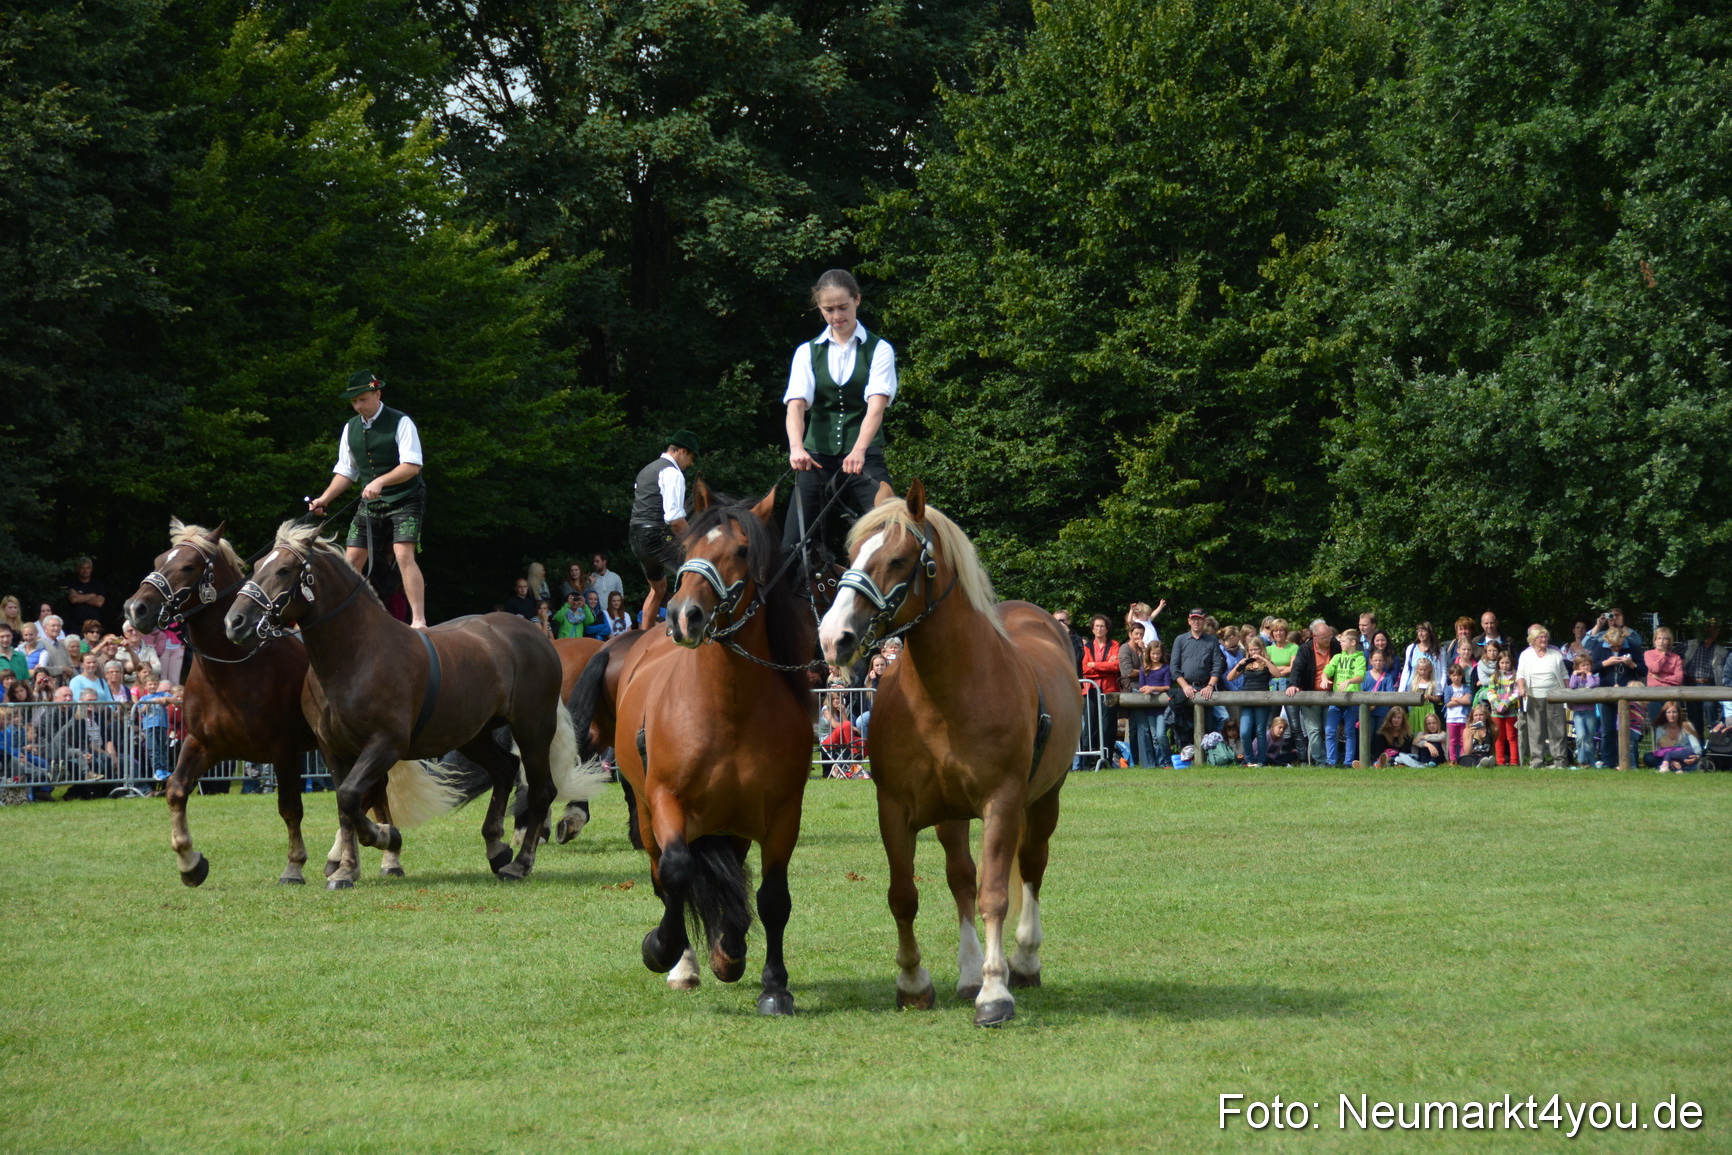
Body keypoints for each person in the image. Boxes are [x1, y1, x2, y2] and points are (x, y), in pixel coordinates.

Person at [781, 268, 897, 560]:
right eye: (828, 309)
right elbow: (795, 405)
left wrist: (858, 450)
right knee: (791, 547)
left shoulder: (879, 349)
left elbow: (877, 405)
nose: (836, 315)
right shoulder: (806, 352)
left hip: (864, 454)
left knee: (893, 530)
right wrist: (796, 448)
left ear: (857, 300)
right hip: (816, 457)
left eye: (843, 307)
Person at [307, 371, 429, 628]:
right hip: (371, 503)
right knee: (351, 559)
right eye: (354, 402)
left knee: (402, 553)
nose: (359, 406)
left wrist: (381, 481)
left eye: (363, 399)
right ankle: (344, 617)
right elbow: (346, 471)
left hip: (406, 498)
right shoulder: (350, 427)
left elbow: (412, 465)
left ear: (378, 394)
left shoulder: (401, 421)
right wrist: (324, 499)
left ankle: (419, 620)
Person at [630, 432, 699, 633]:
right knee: (695, 572)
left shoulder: (646, 470)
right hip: (656, 536)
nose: (690, 463)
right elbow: (675, 520)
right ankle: (683, 631)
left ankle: (643, 638)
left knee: (658, 588)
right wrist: (695, 542)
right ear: (682, 451)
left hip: (635, 537)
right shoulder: (673, 473)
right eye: (691, 458)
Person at [1285, 619, 1340, 765]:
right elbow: (1297, 667)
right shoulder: (1305, 649)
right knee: (1314, 731)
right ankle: (1321, 762)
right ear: (1315, 637)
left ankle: (1332, 761)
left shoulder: (1336, 645)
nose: (1328, 640)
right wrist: (1293, 685)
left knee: (1330, 730)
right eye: (1324, 637)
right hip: (1310, 695)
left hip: (1331, 695)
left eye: (1329, 636)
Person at [1515, 624, 1570, 767]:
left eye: (1545, 636)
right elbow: (1520, 674)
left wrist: (1567, 691)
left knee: (1557, 730)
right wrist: (1521, 688)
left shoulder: (1555, 654)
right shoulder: (1526, 655)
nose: (1544, 639)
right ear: (1533, 640)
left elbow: (1564, 674)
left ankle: (1559, 761)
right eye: (1540, 637)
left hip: (1555, 695)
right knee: (1536, 731)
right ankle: (1537, 761)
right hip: (1534, 696)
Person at [1588, 625, 1644, 766]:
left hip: (1626, 696)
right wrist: (1606, 663)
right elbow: (1591, 668)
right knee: (1607, 731)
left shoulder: (1631, 647)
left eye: (1618, 646)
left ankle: (1629, 762)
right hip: (1606, 694)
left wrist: (1632, 664)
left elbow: (1644, 670)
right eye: (1612, 647)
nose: (1615, 649)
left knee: (1626, 730)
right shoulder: (1600, 648)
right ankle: (1609, 762)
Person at [1170, 609, 1226, 749]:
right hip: (1186, 688)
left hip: (1205, 688)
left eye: (1199, 619)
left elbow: (1217, 666)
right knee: (1184, 727)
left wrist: (1210, 686)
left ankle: (1208, 758)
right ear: (1189, 621)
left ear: (1203, 621)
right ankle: (1187, 758)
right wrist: (1185, 686)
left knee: (1208, 726)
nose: (1196, 622)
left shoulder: (1212, 641)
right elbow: (1174, 667)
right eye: (1193, 619)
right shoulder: (1180, 640)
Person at [1321, 628, 1367, 766]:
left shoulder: (1360, 658)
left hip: (1351, 700)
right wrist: (1324, 678)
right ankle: (1331, 761)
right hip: (1336, 699)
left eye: (1343, 641)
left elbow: (1361, 676)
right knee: (1329, 730)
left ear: (1353, 642)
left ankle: (1348, 762)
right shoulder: (1337, 657)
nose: (1340, 644)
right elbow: (1327, 670)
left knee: (1349, 732)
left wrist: (1349, 681)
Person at [1130, 639, 1172, 767]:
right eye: (1153, 653)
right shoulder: (1144, 669)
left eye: (1158, 654)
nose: (1155, 656)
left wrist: (1153, 688)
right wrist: (1145, 689)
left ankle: (1167, 760)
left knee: (1160, 735)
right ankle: (1159, 762)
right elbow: (1142, 686)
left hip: (1162, 707)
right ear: (1148, 654)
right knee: (1154, 737)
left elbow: (1167, 687)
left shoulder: (1165, 668)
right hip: (1149, 707)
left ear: (1162, 654)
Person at [1680, 619, 1723, 737]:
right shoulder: (1689, 645)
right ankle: (1698, 749)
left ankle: (1715, 740)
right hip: (1692, 684)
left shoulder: (1721, 651)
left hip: (1710, 686)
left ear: (1717, 633)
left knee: (1710, 707)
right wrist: (1680, 666)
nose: (1710, 632)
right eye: (1708, 629)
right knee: (1694, 720)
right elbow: (1671, 657)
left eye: (1714, 630)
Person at [1236, 638, 1275, 765]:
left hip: (1262, 701)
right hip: (1247, 700)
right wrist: (1239, 664)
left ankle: (1261, 761)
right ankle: (1249, 760)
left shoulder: (1266, 663)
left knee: (1260, 731)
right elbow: (1230, 677)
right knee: (1244, 732)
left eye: (1255, 649)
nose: (1253, 652)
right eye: (1250, 650)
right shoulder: (1246, 664)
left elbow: (1277, 674)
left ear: (1261, 649)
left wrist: (1263, 660)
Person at [1641, 627, 1684, 729]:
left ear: (1669, 641)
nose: (1661, 641)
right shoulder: (1648, 654)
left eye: (1665, 639)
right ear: (1655, 640)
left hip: (1671, 696)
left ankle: (1673, 745)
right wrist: (1663, 655)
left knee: (1672, 727)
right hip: (1654, 695)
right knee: (1657, 727)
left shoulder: (1676, 658)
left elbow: (1678, 679)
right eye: (1659, 638)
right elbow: (1654, 669)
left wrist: (1661, 679)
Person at [1643, 701, 1701, 772]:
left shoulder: (1687, 726)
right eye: (1669, 712)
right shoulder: (1660, 728)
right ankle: (1678, 768)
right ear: (1664, 714)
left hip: (1685, 756)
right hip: (1667, 757)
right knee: (1648, 757)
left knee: (1696, 762)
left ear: (1679, 713)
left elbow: (1696, 747)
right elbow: (1659, 750)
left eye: (1674, 712)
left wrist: (1696, 757)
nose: (1671, 715)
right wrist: (1671, 761)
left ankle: (1671, 768)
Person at [1566, 654, 1600, 766]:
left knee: (1589, 739)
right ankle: (1582, 761)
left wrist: (1589, 675)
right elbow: (1572, 685)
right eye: (1582, 665)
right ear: (1577, 667)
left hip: (1590, 712)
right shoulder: (1576, 678)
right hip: (1578, 712)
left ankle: (1591, 762)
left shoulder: (1595, 677)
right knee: (1580, 736)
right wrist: (1574, 675)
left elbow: (1592, 685)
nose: (1585, 667)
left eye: (1587, 665)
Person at [63, 556, 108, 634]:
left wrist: (80, 596)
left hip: (93, 626)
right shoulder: (72, 584)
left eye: (88, 568)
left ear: (91, 569)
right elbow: (74, 599)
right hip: (74, 626)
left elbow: (99, 603)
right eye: (82, 568)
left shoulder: (97, 584)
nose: (85, 570)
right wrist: (92, 595)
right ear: (78, 569)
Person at [1442, 662, 1474, 763]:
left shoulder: (1466, 688)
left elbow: (1469, 701)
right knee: (1452, 740)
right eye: (1453, 675)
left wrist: (1455, 699)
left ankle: (1461, 758)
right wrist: (1461, 700)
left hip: (1463, 717)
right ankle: (1452, 759)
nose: (1456, 678)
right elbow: (1448, 703)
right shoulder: (1448, 688)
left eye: (1458, 675)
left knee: (1462, 739)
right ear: (1450, 676)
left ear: (1462, 675)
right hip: (1451, 718)